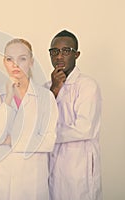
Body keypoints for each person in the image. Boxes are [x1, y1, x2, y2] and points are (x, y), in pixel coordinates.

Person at [0, 38, 58, 200]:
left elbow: (48, 140)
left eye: (22, 58)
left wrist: (11, 140)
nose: (15, 64)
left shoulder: (45, 97)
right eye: (10, 59)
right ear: (4, 62)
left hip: (32, 181)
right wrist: (8, 99)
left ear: (31, 61)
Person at [47, 30, 102, 200]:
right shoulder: (46, 87)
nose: (59, 56)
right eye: (54, 51)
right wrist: (54, 90)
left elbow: (84, 129)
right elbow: (39, 121)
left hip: (79, 163)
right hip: (52, 163)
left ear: (76, 54)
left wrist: (48, 135)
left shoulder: (87, 85)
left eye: (66, 51)